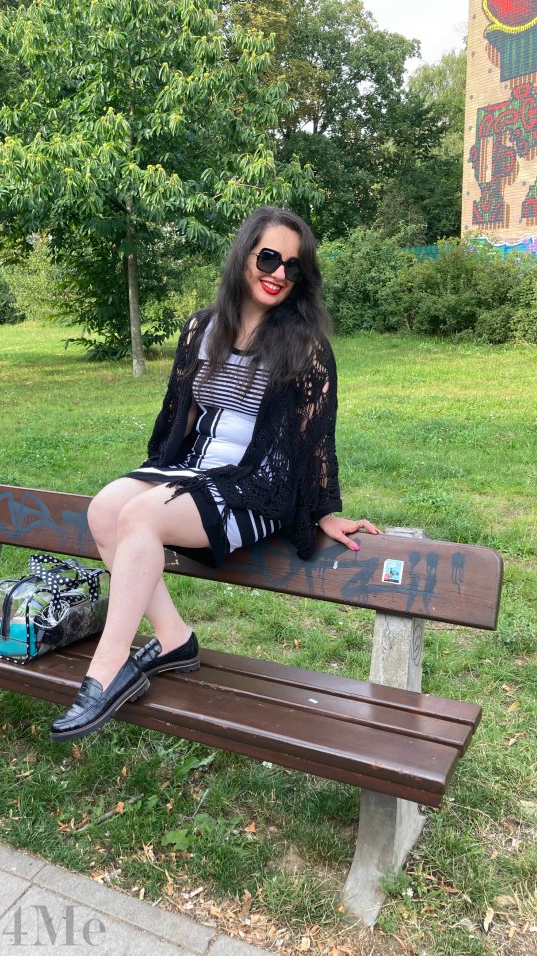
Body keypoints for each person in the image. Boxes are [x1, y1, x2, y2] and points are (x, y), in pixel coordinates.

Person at [49, 206, 380, 742]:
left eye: (292, 267)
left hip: (255, 482)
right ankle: (174, 637)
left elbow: (317, 436)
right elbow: (178, 413)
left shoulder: (305, 345)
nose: (278, 273)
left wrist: (323, 511)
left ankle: (107, 670)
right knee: (106, 507)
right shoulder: (202, 328)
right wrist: (158, 472)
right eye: (268, 257)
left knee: (139, 518)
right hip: (194, 467)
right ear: (245, 255)